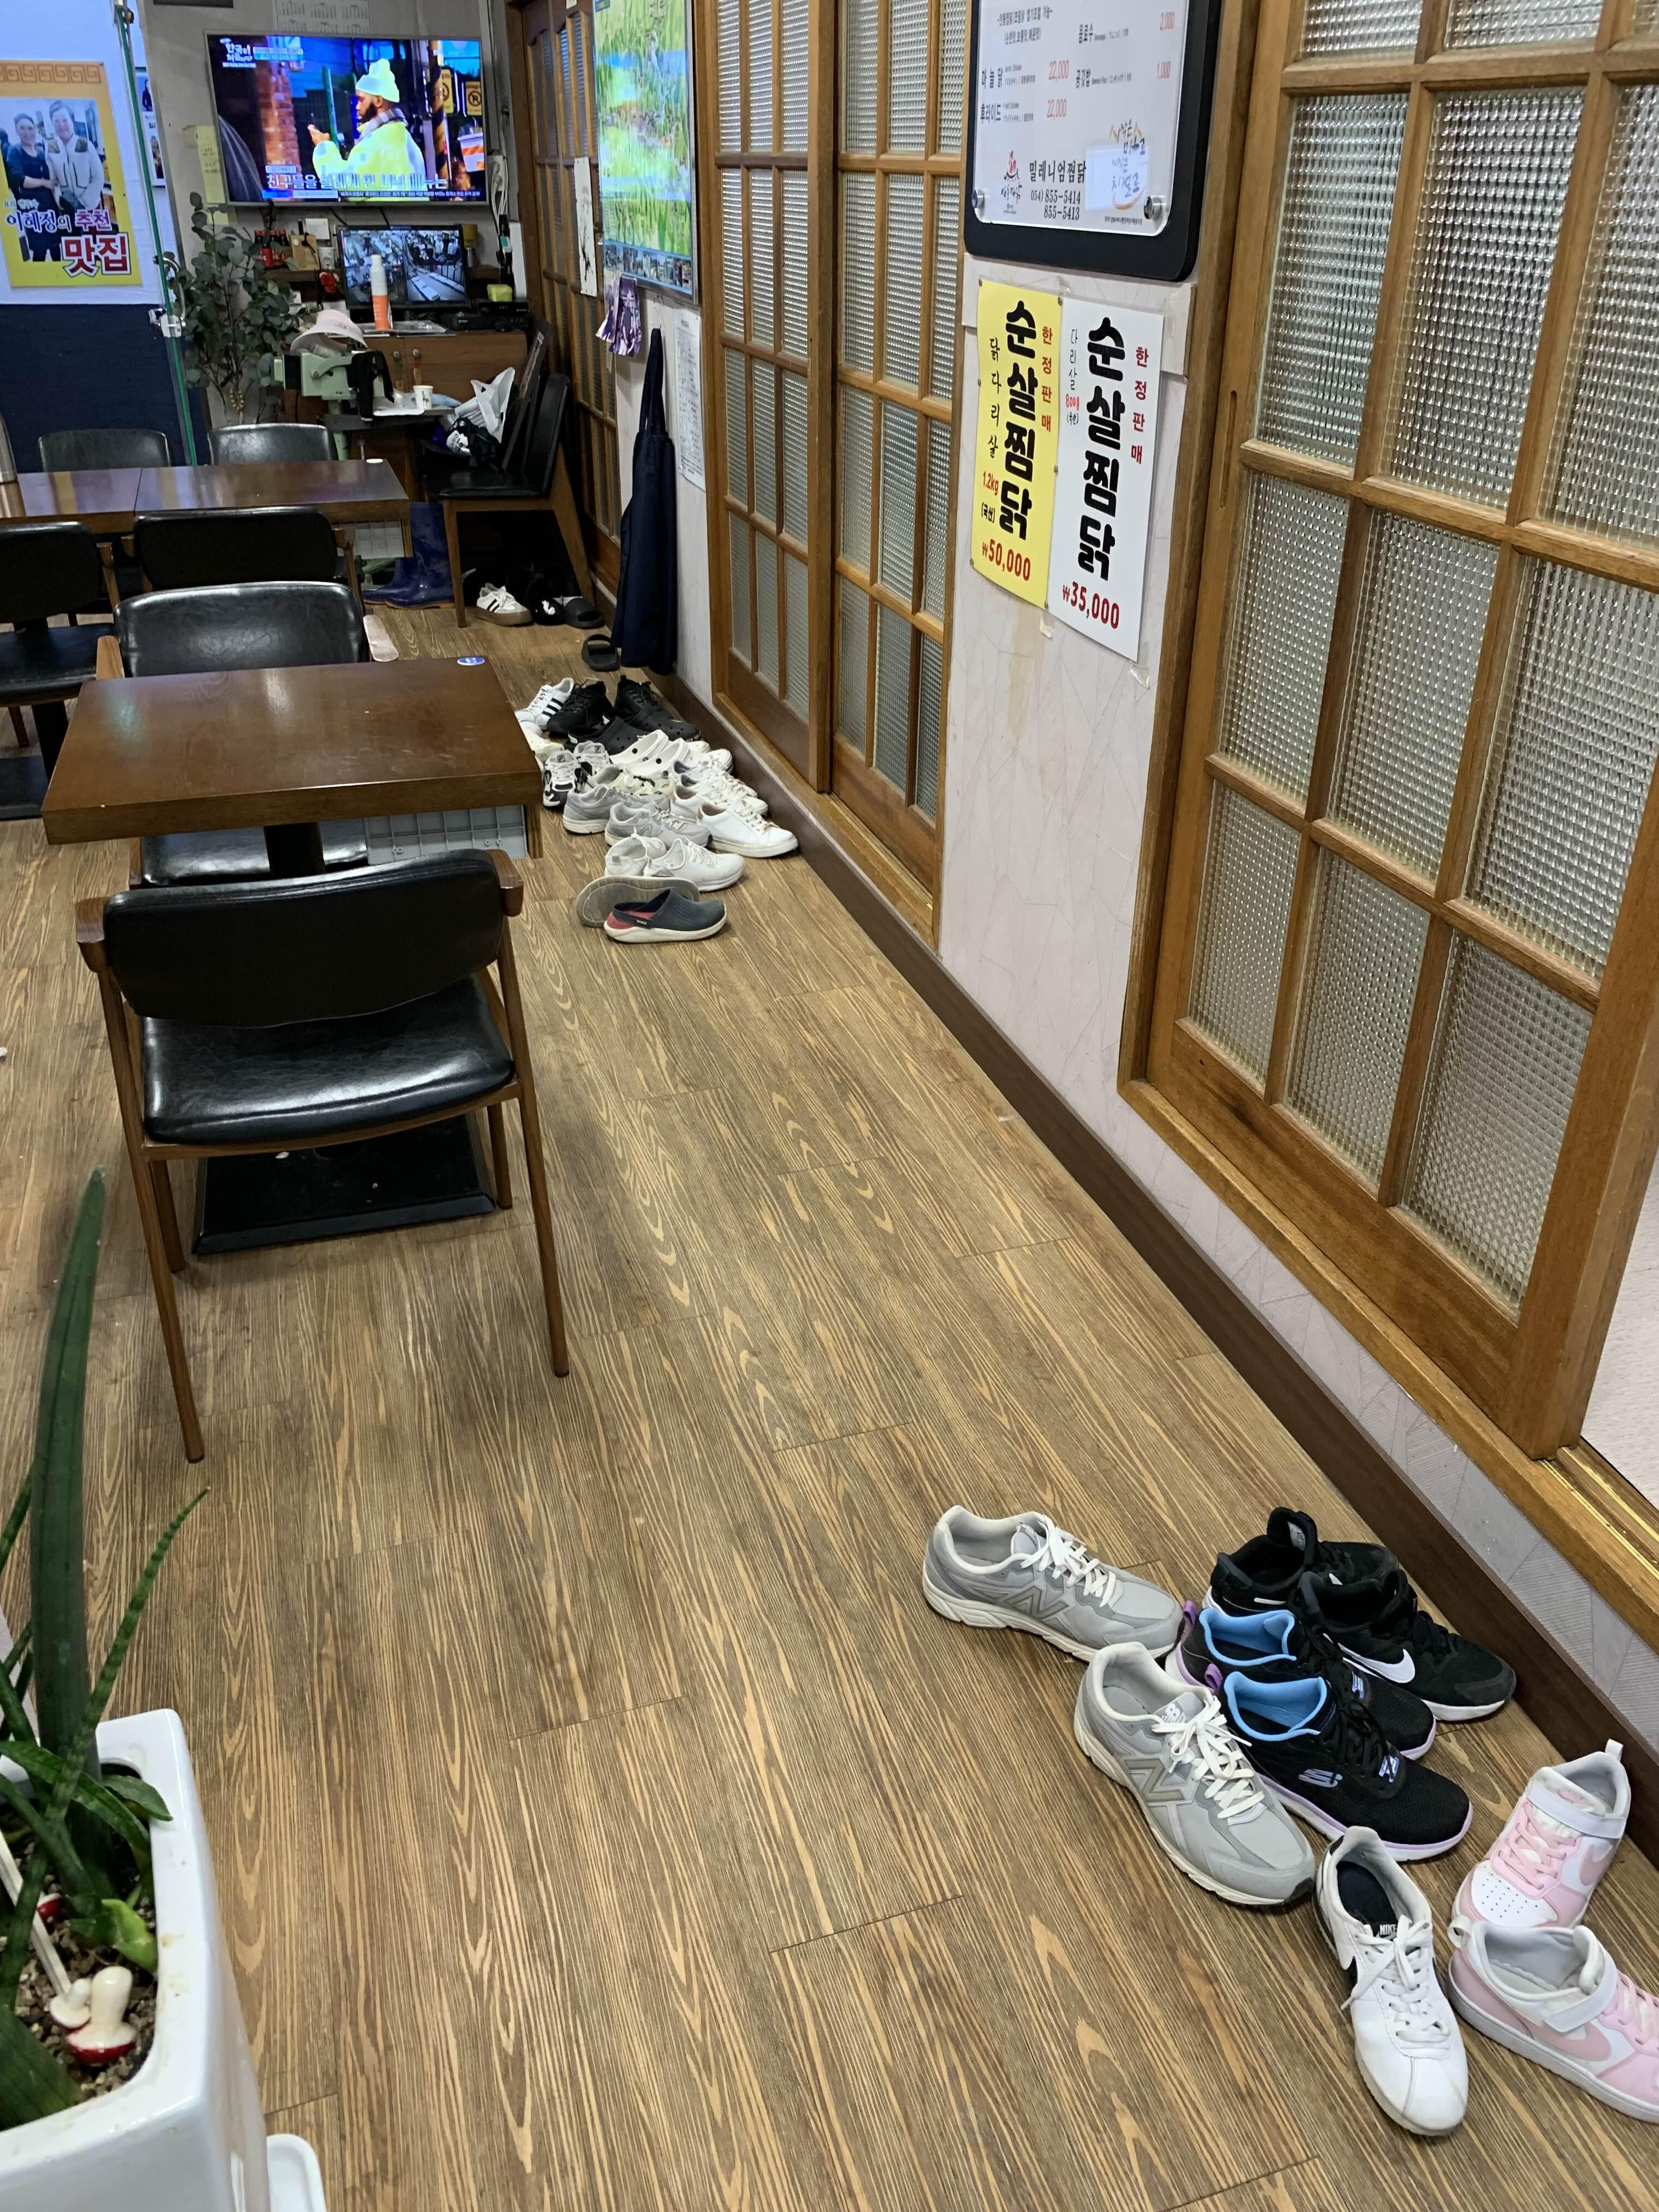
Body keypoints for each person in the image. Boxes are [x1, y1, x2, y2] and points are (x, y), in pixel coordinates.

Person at [308, 58, 427, 197]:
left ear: (378, 101)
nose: (357, 107)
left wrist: (323, 147)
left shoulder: (381, 140)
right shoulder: (403, 137)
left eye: (361, 100)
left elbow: (345, 182)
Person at [5, 111, 61, 260]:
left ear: (35, 130)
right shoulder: (15, 151)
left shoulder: (41, 151)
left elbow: (52, 174)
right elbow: (20, 180)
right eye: (22, 128)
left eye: (30, 128)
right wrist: (44, 183)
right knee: (40, 251)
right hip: (32, 209)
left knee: (56, 247)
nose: (27, 132)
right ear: (17, 131)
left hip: (50, 206)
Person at [45, 102, 104, 218]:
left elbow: (98, 177)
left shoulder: (85, 144)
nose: (61, 125)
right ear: (52, 124)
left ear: (72, 121)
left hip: (90, 207)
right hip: (67, 208)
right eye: (56, 121)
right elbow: (53, 181)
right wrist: (60, 202)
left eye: (65, 120)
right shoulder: (51, 148)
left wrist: (82, 203)